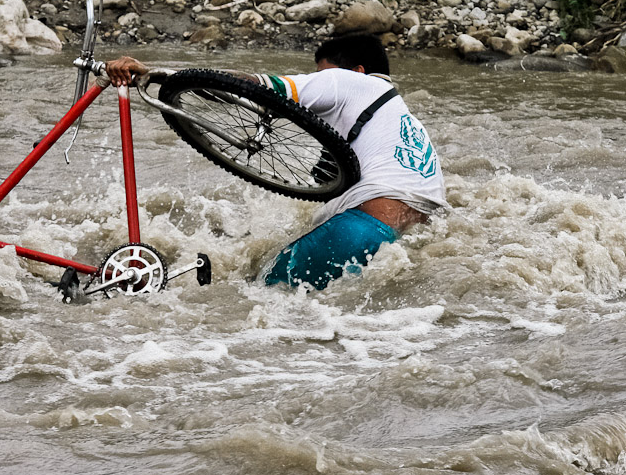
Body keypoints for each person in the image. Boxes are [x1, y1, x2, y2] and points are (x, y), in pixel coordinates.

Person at [106, 35, 448, 290]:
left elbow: (250, 87)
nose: (317, 82)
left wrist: (156, 75)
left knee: (245, 299)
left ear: (356, 71)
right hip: (404, 242)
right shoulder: (409, 125)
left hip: (359, 231)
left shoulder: (346, 81)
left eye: (320, 75)